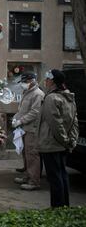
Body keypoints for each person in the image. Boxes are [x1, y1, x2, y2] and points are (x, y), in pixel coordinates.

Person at [37, 69, 78, 207]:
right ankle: (64, 205)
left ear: (53, 81)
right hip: (62, 144)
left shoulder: (51, 98)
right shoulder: (69, 97)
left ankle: (57, 207)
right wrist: (71, 141)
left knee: (54, 177)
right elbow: (74, 122)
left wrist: (64, 140)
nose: (46, 81)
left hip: (51, 143)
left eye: (48, 79)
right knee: (62, 174)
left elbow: (55, 123)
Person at [12, 72, 44, 190]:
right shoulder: (27, 92)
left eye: (25, 82)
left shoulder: (37, 94)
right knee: (26, 153)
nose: (23, 84)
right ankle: (27, 176)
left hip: (32, 128)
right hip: (25, 128)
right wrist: (16, 118)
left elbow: (35, 112)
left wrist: (21, 121)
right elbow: (22, 109)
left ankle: (34, 181)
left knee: (32, 154)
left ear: (32, 81)